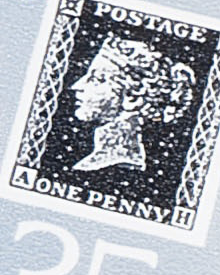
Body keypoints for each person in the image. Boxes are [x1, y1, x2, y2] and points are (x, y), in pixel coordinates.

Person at [65, 32, 198, 177]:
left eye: (97, 79)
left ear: (131, 98)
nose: (77, 86)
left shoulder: (115, 166)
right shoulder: (98, 161)